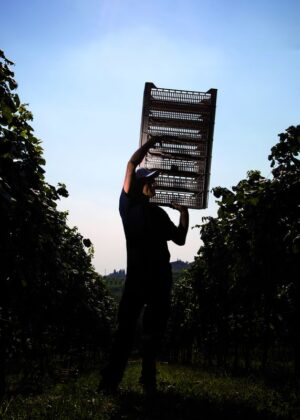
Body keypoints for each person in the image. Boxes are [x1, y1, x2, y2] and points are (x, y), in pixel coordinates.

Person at [99, 137, 189, 394]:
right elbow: (131, 163)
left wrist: (183, 213)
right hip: (143, 279)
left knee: (150, 333)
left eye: (153, 180)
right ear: (139, 185)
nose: (153, 183)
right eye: (149, 180)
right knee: (125, 332)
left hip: (157, 279)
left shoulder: (153, 212)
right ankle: (111, 382)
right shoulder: (128, 206)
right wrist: (153, 143)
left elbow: (180, 240)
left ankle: (145, 381)